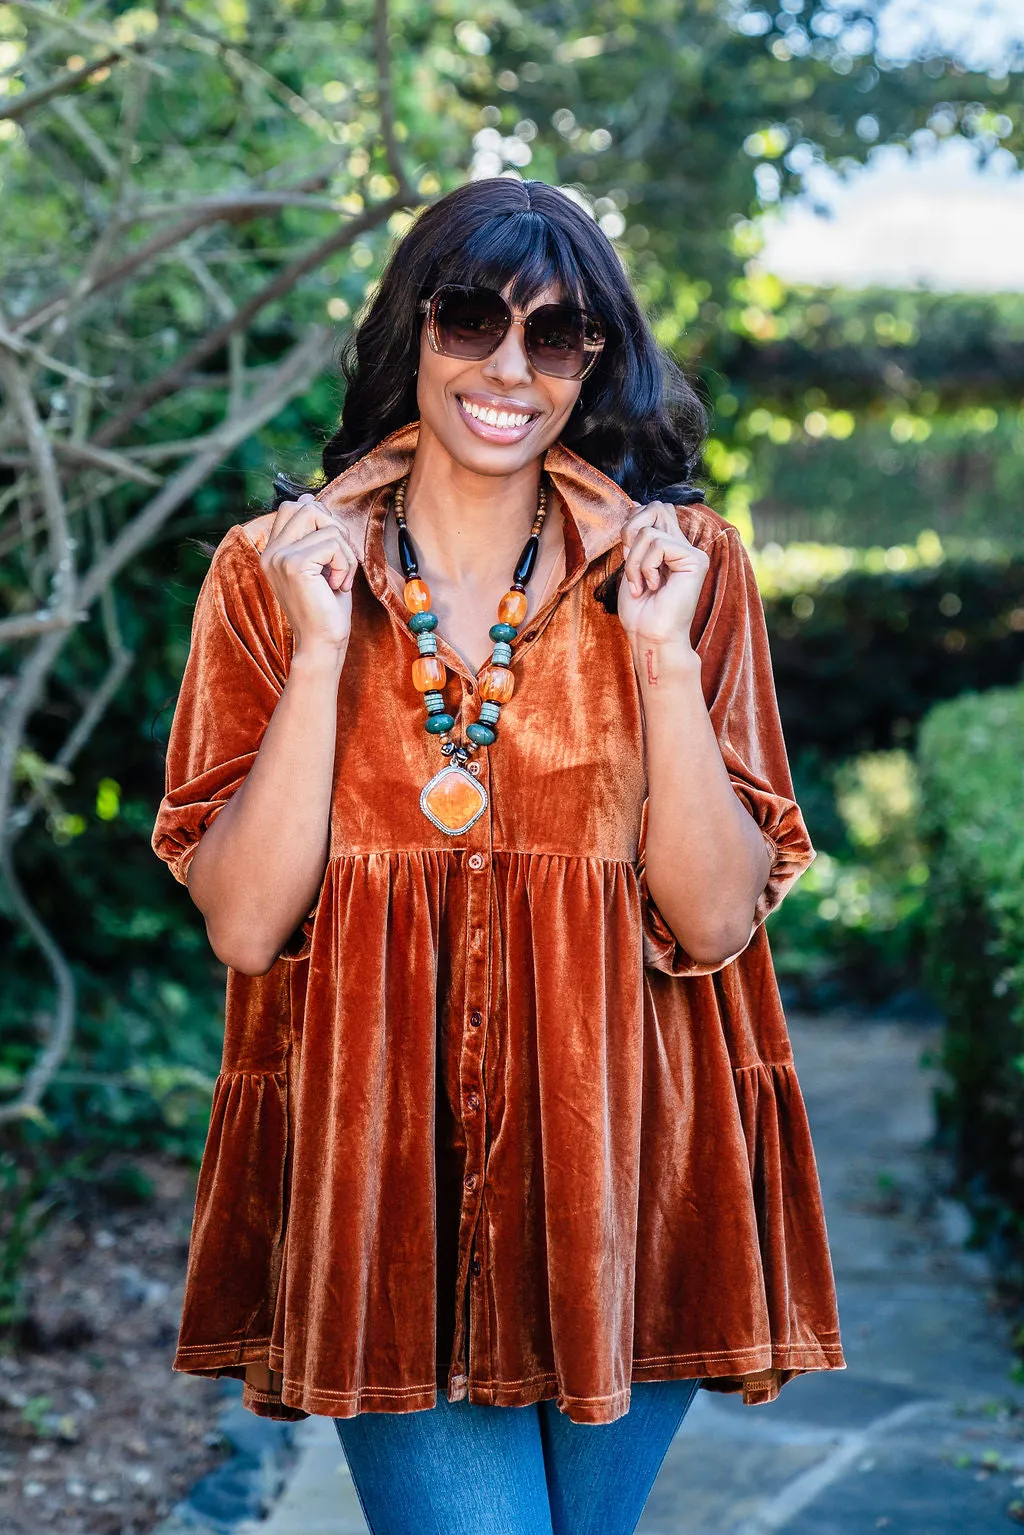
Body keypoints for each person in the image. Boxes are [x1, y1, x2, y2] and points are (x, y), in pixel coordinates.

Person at [151, 177, 845, 1535]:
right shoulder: (269, 570)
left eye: (559, 335)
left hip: (637, 1178)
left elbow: (710, 920)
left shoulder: (684, 569)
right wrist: (315, 651)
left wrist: (654, 654)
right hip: (384, 1190)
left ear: (600, 359)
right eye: (472, 317)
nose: (509, 369)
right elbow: (243, 922)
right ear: (411, 329)